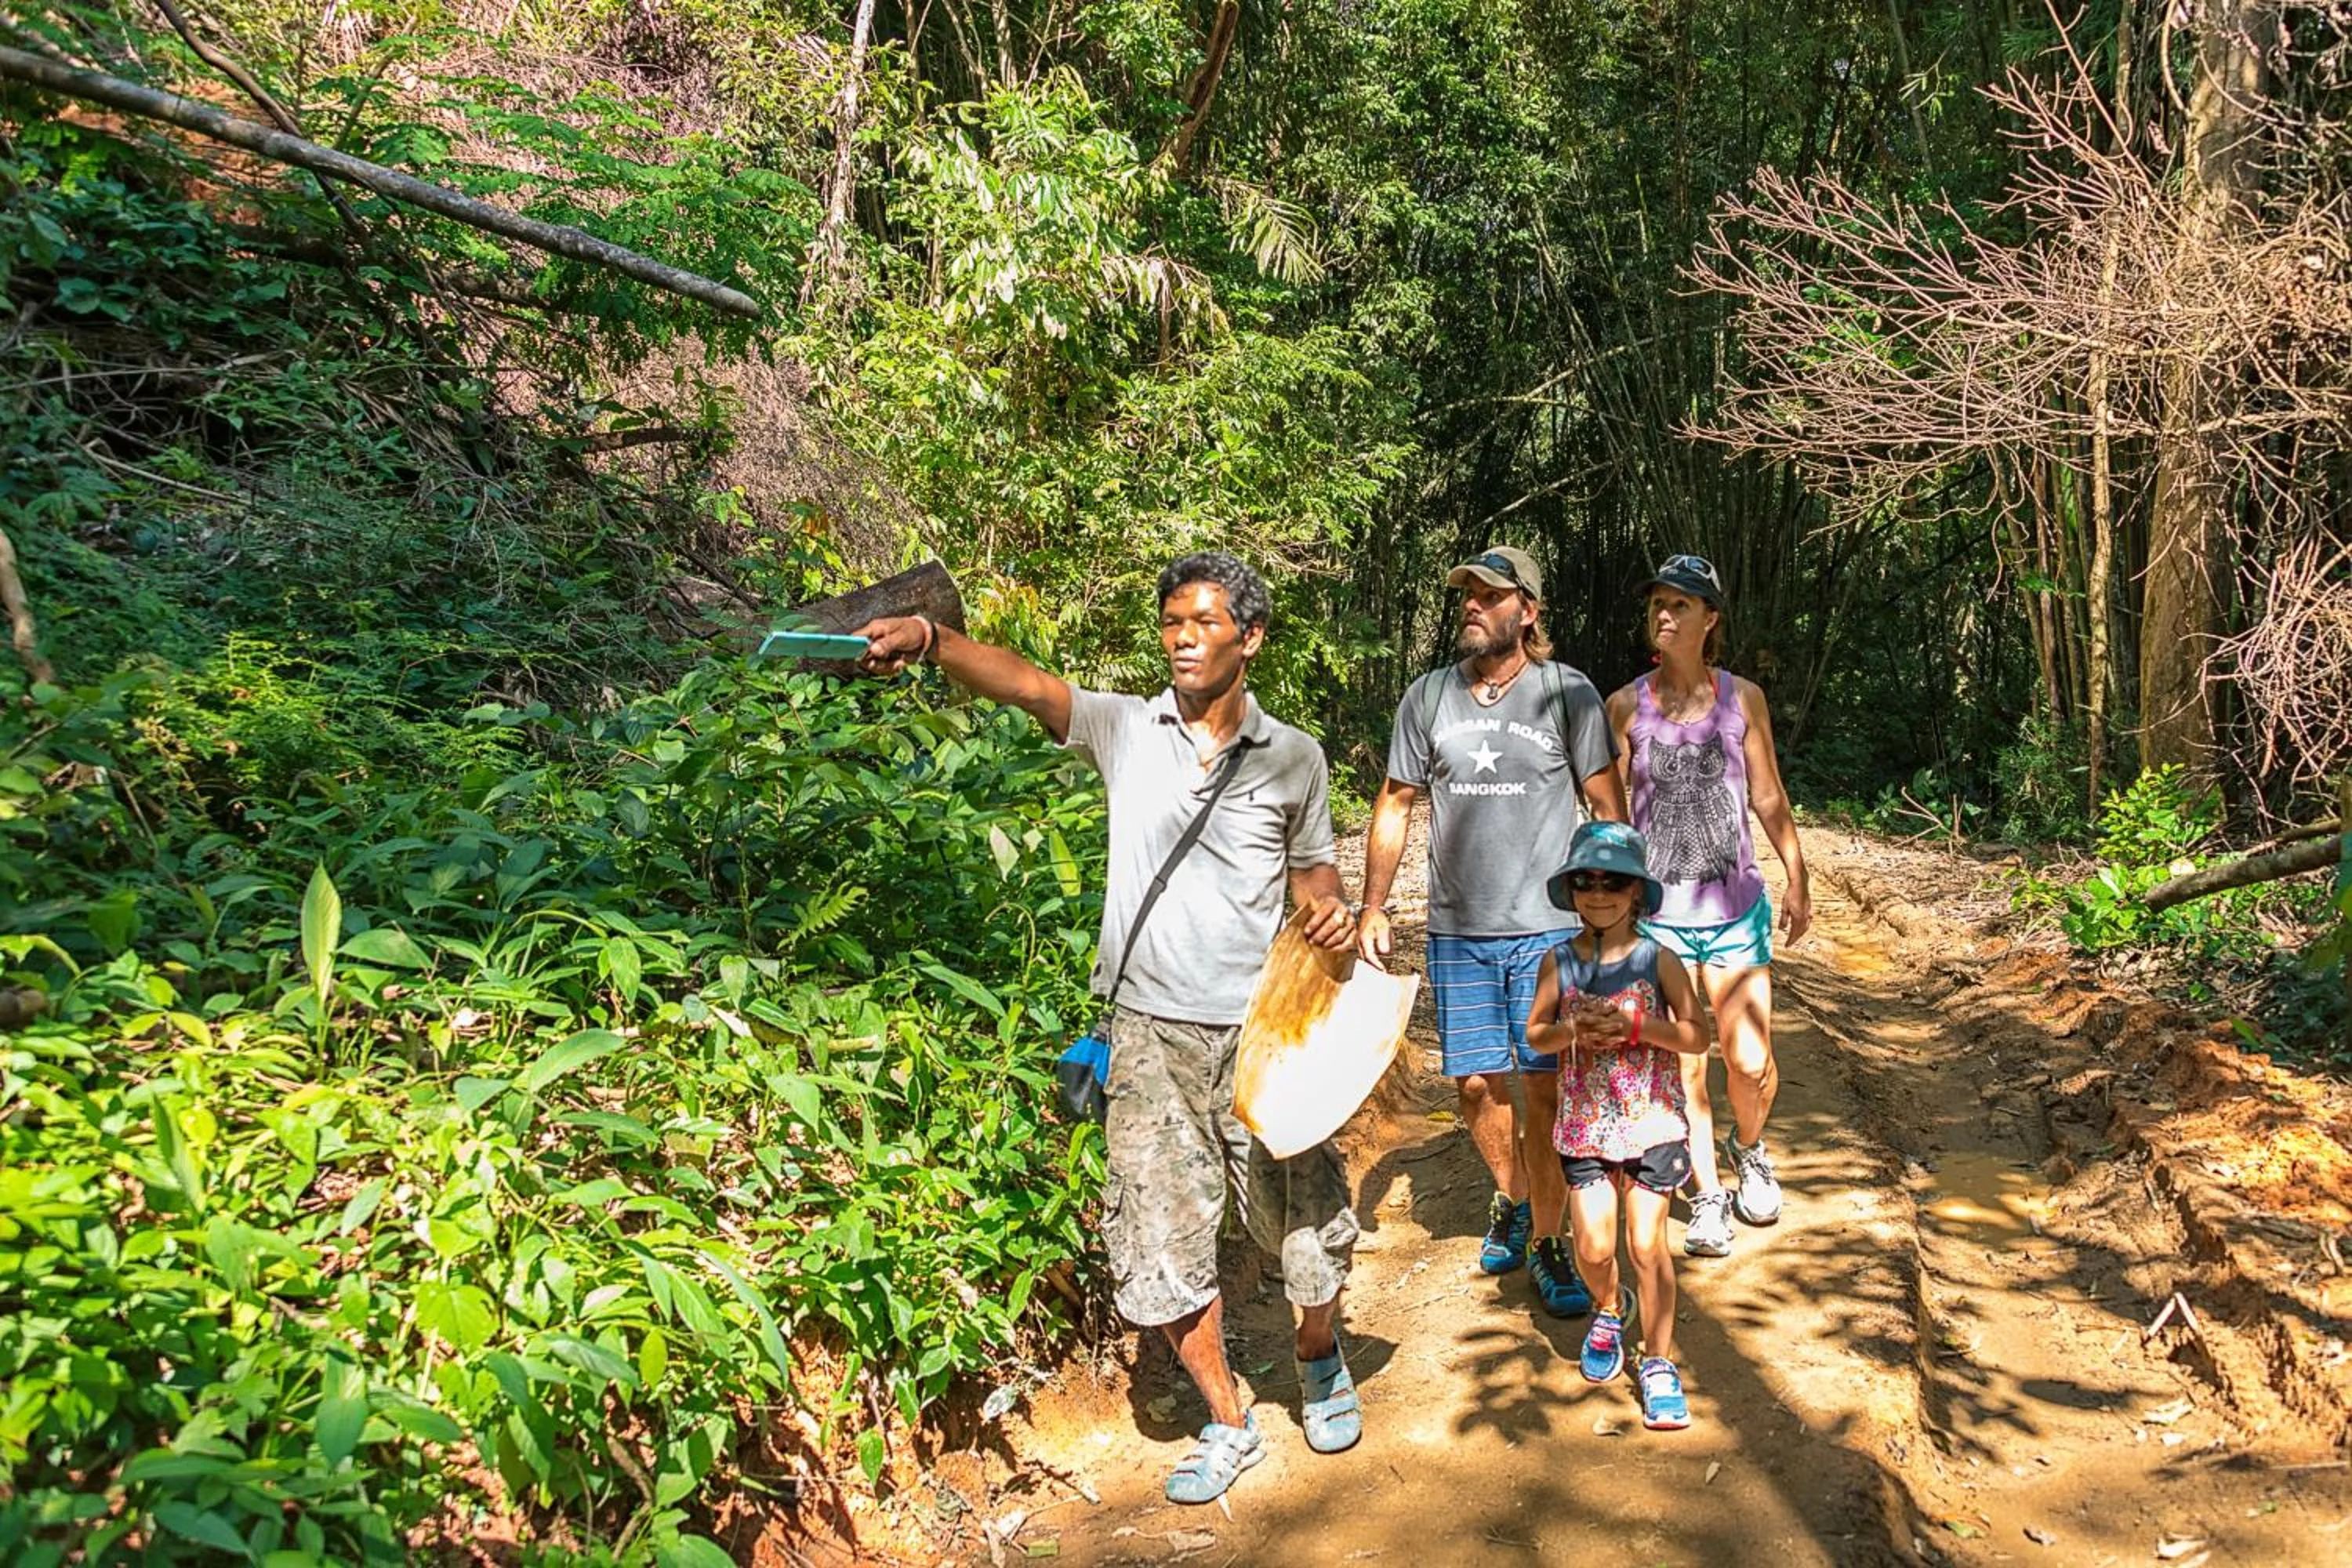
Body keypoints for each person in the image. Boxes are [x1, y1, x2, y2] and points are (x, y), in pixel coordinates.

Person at [858, 553, 1363, 1506]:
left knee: (1305, 1220)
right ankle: (1227, 1415)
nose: (1181, 637)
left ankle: (1318, 1348)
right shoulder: (1128, 729)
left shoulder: (1293, 756)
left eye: (1204, 622)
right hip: (1149, 1034)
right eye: (1171, 620)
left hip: (1267, 1033)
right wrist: (931, 640)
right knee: (1161, 1234)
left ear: (1249, 637)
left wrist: (1334, 913)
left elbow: (1315, 882)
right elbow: (1027, 683)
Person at [1357, 545, 1626, 1319]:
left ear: (1528, 611)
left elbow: (1608, 808)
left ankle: (1548, 1241)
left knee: (1542, 1090)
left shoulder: (1566, 694)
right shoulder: (1430, 696)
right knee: (1475, 1085)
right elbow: (1395, 802)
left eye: (1489, 595)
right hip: (1458, 928)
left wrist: (1621, 919)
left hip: (1547, 928)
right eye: (1466, 595)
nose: (1472, 605)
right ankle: (1512, 1196)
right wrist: (1374, 905)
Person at [1603, 554, 1812, 1259]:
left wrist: (1798, 873)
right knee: (1686, 1066)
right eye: (1658, 602)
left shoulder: (1741, 698)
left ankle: (1749, 1145)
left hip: (1734, 909)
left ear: (1710, 619)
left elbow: (1767, 794)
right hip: (1660, 919)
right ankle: (1709, 1195)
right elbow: (1610, 812)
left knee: (1749, 1064)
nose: (1666, 615)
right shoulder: (1625, 707)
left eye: (1682, 605)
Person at [1525, 820, 1707, 1429]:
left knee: (1646, 1244)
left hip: (1653, 1123)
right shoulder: (1560, 962)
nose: (1598, 892)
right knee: (1595, 1248)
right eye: (1586, 881)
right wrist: (1574, 1031)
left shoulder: (1661, 960)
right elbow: (1535, 1033)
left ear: (1636, 892)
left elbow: (1695, 1034)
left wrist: (1635, 1029)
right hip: (1585, 1127)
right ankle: (1608, 1307)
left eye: (1613, 881)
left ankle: (1658, 1362)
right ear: (1572, 889)